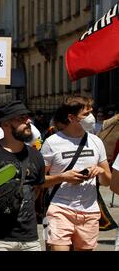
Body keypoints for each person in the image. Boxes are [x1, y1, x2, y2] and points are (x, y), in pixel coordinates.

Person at [41, 96, 111, 251]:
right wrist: (62, 177)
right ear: (71, 118)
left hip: (89, 212)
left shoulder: (95, 141)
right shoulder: (52, 143)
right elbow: (39, 181)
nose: (91, 118)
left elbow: (107, 181)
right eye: (85, 114)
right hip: (60, 209)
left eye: (91, 112)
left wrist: (100, 171)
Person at [0, 101, 45, 251]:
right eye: (21, 118)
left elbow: (37, 189)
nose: (28, 122)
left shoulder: (36, 156)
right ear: (6, 124)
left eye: (27, 117)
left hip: (30, 239)